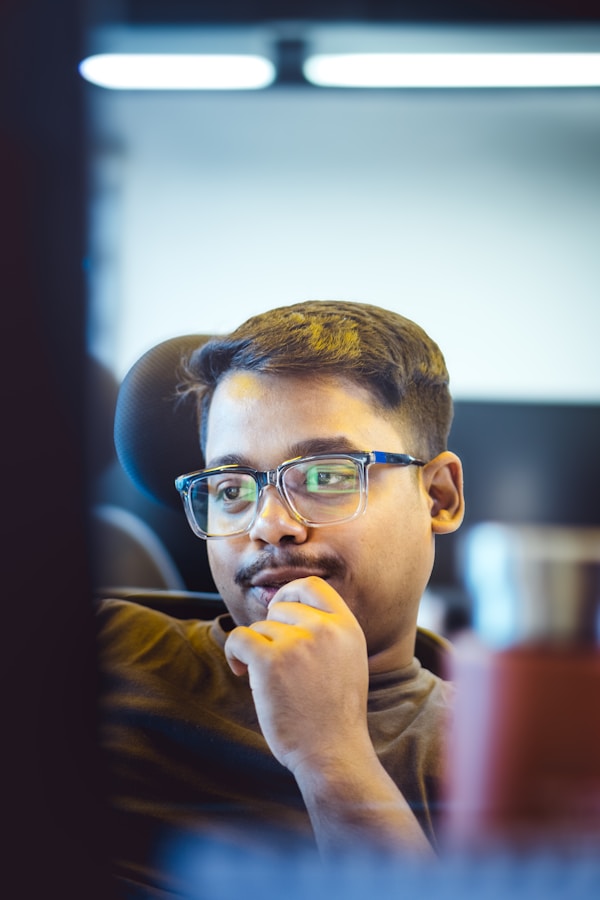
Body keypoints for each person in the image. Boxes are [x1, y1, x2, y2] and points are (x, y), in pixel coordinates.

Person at [96, 300, 465, 895]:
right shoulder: (100, 649)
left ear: (439, 497)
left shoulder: (505, 748)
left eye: (326, 476)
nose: (269, 524)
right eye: (231, 488)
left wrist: (330, 755)